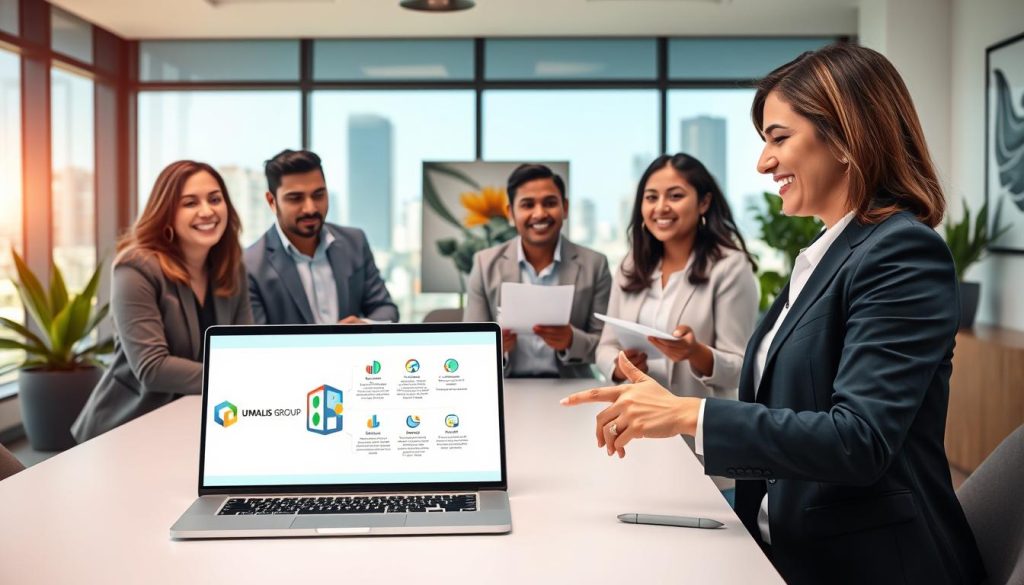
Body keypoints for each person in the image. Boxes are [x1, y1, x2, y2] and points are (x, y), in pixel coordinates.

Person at [562, 43, 985, 585]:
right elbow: (790, 407)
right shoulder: (827, 253)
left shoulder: (902, 253)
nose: (763, 162)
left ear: (847, 136)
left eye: (779, 138)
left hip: (867, 562)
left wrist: (689, 414)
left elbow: (859, 441)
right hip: (778, 538)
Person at [595, 153, 758, 501]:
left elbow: (742, 369)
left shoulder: (730, 268)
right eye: (651, 197)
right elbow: (605, 346)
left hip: (702, 450)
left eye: (675, 195)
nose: (661, 207)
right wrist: (621, 365)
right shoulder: (631, 264)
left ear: (704, 202)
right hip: (638, 436)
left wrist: (694, 353)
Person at [72, 161, 253, 442]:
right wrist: (235, 377)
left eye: (215, 199)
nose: (207, 211)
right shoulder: (135, 268)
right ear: (167, 214)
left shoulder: (231, 267)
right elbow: (152, 368)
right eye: (190, 203)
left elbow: (243, 351)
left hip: (201, 419)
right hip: (128, 429)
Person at [464, 164, 611, 378]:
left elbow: (606, 343)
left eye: (550, 203)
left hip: (571, 387)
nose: (540, 213)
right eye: (527, 204)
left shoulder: (595, 265)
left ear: (565, 208)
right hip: (506, 387)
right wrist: (495, 346)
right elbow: (471, 343)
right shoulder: (485, 264)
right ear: (510, 213)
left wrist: (571, 340)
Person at [244, 149, 398, 325]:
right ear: (272, 201)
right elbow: (258, 342)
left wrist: (364, 326)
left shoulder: (355, 242)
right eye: (296, 198)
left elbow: (386, 310)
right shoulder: (250, 266)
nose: (310, 208)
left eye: (318, 195)